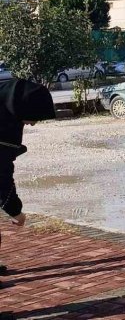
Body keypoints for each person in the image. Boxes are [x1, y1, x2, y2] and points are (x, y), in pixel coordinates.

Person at [0, 77, 55, 290]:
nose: (33, 123)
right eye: (34, 118)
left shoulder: (7, 107)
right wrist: (16, 212)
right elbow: (2, 176)